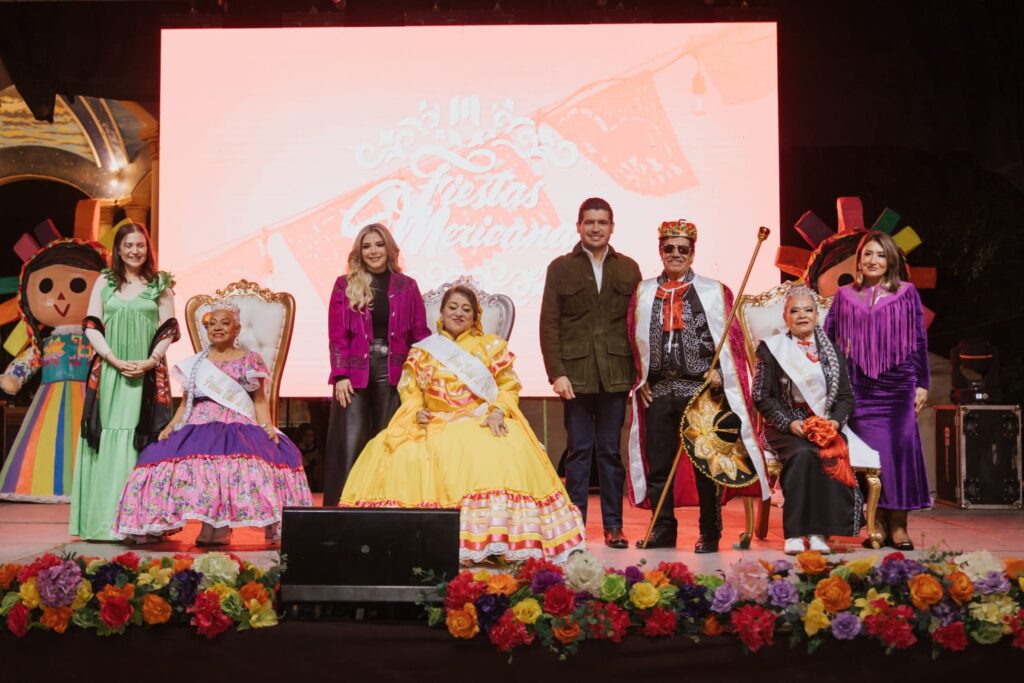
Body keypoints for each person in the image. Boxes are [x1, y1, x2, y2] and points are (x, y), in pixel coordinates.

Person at [341, 285, 586, 564]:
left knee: (500, 451)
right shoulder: (423, 352)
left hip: (479, 418)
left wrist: (498, 411)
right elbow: (411, 392)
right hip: (435, 421)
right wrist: (417, 411)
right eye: (453, 307)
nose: (459, 313)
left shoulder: (490, 347)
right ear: (442, 313)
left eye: (466, 309)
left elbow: (508, 387)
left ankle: (494, 543)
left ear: (475, 317)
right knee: (400, 452)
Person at [113, 302, 313, 545]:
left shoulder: (249, 360)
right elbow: (185, 404)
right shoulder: (196, 364)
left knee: (232, 464)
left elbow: (259, 400)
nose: (217, 327)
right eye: (212, 324)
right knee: (159, 456)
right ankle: (198, 525)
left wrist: (267, 427)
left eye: (225, 323)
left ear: (237, 329)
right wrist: (170, 427)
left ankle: (221, 528)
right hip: (198, 421)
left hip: (235, 421)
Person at [626, 219, 767, 553]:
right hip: (659, 391)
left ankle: (710, 531)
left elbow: (731, 343)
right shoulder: (643, 292)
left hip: (700, 392)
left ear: (692, 253)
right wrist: (638, 380)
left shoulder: (714, 291)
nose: (675, 254)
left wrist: (720, 373)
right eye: (669, 248)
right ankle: (663, 529)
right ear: (660, 250)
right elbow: (631, 340)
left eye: (682, 249)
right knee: (659, 465)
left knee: (707, 466)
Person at [539, 197, 641, 549]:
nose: (596, 228)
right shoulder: (560, 268)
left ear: (612, 227)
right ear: (579, 226)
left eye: (602, 222)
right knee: (579, 452)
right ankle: (575, 527)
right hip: (576, 375)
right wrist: (557, 373)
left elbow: (637, 324)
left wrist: (639, 373)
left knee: (610, 453)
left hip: (616, 373)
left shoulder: (628, 268)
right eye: (590, 222)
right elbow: (549, 324)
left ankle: (614, 527)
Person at [69, 222, 177, 541]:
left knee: (141, 438)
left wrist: (150, 361)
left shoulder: (160, 283)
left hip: (147, 374)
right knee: (109, 436)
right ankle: (105, 522)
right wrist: (112, 359)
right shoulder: (104, 281)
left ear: (148, 248)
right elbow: (91, 325)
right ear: (118, 248)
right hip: (111, 371)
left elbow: (169, 328)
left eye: (140, 245)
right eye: (128, 245)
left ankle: (141, 523)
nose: (134, 250)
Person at [825, 230, 930, 550]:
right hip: (858, 387)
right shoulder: (844, 295)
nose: (873, 260)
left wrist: (922, 383)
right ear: (859, 260)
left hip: (898, 386)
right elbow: (829, 339)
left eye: (880, 255)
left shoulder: (907, 293)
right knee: (871, 457)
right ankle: (876, 524)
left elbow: (919, 340)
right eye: (868, 254)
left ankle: (898, 524)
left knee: (898, 452)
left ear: (891, 260)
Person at [752, 286, 870, 555]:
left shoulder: (832, 351)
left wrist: (834, 423)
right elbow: (760, 395)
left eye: (808, 310)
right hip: (784, 425)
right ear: (785, 317)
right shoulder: (771, 349)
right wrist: (788, 423)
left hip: (824, 423)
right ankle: (795, 533)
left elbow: (846, 397)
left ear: (817, 315)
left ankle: (819, 533)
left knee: (827, 452)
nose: (802, 316)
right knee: (803, 453)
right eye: (795, 311)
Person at [323, 223, 430, 506]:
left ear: (389, 249)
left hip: (395, 371)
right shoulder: (344, 284)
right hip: (354, 372)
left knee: (389, 439)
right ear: (359, 252)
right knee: (351, 441)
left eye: (379, 245)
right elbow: (337, 334)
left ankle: (385, 506)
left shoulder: (407, 286)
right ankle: (342, 509)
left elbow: (420, 333)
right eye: (367, 246)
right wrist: (340, 374)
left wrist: (425, 374)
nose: (373, 251)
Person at [0, 239, 106, 502]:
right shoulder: (46, 344)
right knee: (46, 441)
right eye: (46, 286)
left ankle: (91, 486)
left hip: (91, 397)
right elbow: (29, 360)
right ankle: (40, 484)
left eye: (77, 285)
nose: (60, 297)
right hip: (49, 399)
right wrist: (13, 376)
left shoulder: (95, 340)